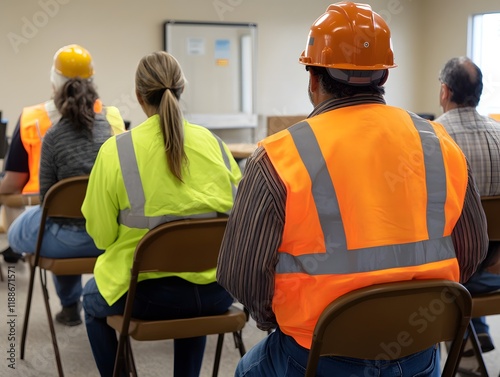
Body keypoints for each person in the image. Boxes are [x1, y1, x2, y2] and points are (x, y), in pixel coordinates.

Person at [216, 2, 488, 376]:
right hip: (420, 351)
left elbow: (241, 276)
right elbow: (472, 251)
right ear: (384, 77)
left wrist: (283, 321)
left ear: (313, 78)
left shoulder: (277, 158)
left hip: (317, 354)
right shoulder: (439, 143)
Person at [81, 51, 242, 377]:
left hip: (145, 297)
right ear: (181, 90)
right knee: (192, 276)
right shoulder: (215, 144)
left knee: (90, 300)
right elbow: (238, 221)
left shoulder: (117, 150)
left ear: (139, 97)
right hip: (216, 292)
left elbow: (100, 236)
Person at [7, 75, 120, 326]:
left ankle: (70, 305)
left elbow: (48, 199)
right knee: (63, 218)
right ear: (94, 100)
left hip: (65, 242)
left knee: (20, 233)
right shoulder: (109, 131)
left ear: (58, 104)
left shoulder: (53, 136)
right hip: (108, 239)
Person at [0, 44, 125, 263]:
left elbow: (46, 199)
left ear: (54, 81)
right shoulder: (111, 119)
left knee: (25, 229)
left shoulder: (39, 125)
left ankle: (68, 298)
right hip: (108, 231)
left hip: (52, 219)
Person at [435, 56, 500, 357]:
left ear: (445, 92)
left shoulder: (430, 138)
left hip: (451, 265)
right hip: (494, 262)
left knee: (450, 239)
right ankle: (477, 331)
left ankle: (462, 337)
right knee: (477, 243)